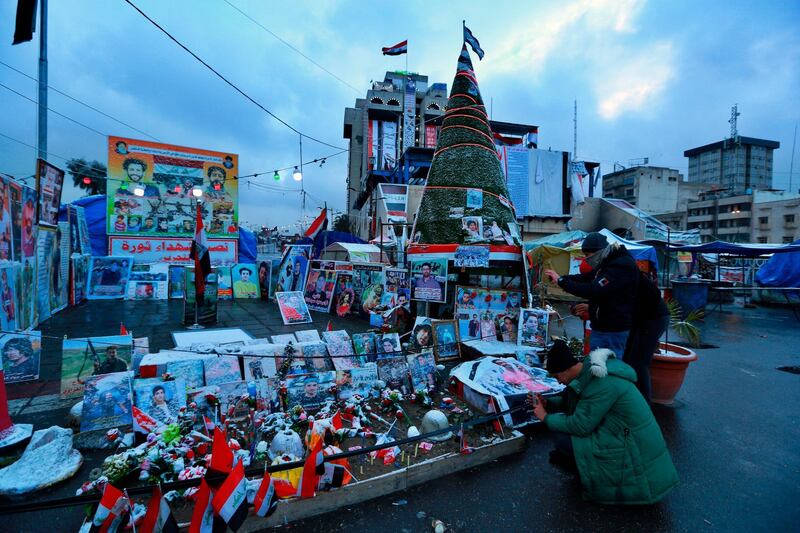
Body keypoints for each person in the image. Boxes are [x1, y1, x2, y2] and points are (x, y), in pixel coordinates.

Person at [530, 339, 678, 505]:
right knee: (562, 431)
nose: (557, 381)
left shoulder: (601, 383)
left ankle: (587, 469)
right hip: (623, 432)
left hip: (633, 448)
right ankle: (578, 463)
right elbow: (572, 400)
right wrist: (548, 404)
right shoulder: (588, 371)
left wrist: (545, 417)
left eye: (557, 376)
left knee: (563, 435)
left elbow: (580, 425)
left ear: (566, 369)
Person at [545, 232, 639, 358]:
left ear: (599, 251)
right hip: (603, 325)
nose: (586, 259)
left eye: (588, 255)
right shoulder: (607, 264)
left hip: (613, 327)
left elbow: (593, 289)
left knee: (610, 365)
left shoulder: (619, 265)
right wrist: (563, 278)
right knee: (596, 363)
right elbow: (587, 278)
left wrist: (561, 281)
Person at [624, 271, 670, 402]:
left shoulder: (626, 275)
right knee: (632, 358)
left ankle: (643, 402)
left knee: (639, 361)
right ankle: (633, 397)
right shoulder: (627, 273)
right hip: (647, 318)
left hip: (651, 319)